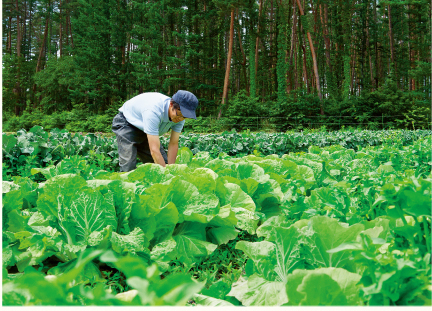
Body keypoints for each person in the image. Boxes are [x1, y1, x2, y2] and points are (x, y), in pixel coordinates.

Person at [112, 90, 198, 172]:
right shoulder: (154, 111)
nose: (180, 119)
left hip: (146, 129)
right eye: (179, 115)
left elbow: (173, 143)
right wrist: (165, 175)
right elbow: (154, 150)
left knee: (164, 164)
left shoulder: (180, 117)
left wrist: (171, 170)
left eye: (184, 117)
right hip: (127, 123)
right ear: (171, 104)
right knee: (128, 167)